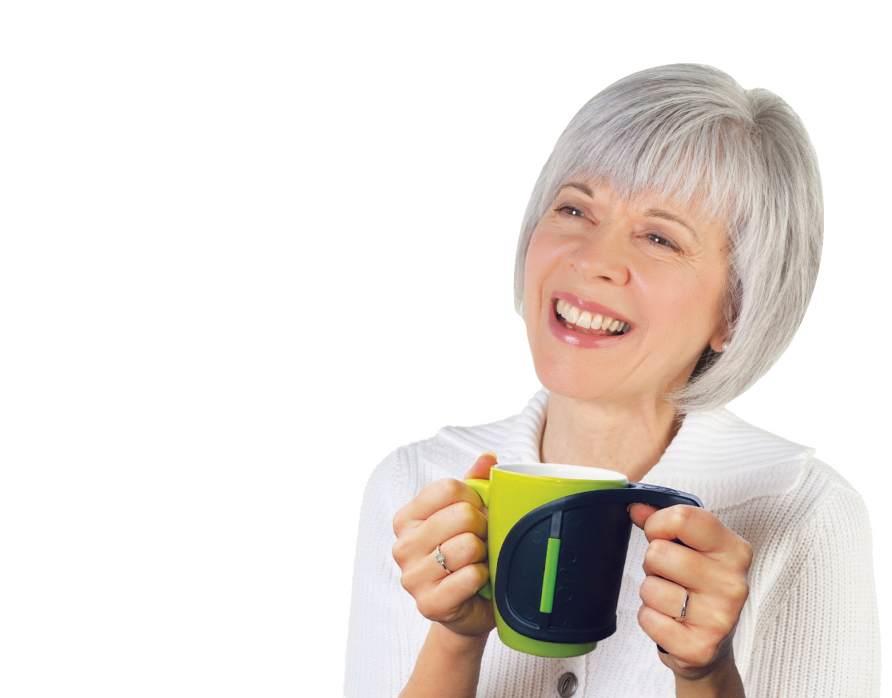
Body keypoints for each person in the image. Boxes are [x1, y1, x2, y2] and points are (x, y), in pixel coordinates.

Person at [343, 63, 881, 697]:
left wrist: (706, 673)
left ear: (735, 311)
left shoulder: (803, 514)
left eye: (659, 237)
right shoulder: (416, 485)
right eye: (574, 208)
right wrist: (455, 637)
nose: (593, 259)